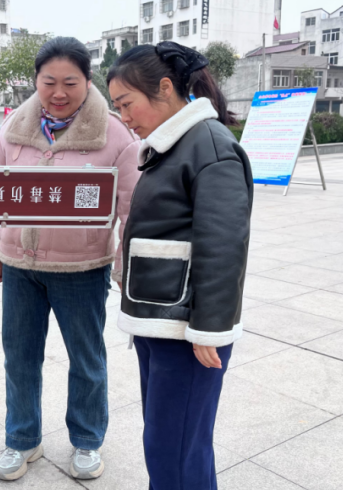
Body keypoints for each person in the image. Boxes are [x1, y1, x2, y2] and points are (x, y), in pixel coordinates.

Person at [0, 36, 141, 482]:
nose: (58, 93)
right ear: (35, 81)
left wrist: (125, 268)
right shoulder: (13, 127)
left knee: (86, 359)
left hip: (81, 269)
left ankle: (87, 440)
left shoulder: (115, 135)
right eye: (48, 82)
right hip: (19, 266)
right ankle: (22, 439)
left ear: (87, 81)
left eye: (70, 83)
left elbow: (131, 209)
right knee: (19, 358)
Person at [106, 42, 252, 490]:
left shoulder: (209, 146)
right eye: (117, 108)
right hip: (159, 319)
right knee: (175, 443)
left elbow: (223, 244)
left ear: (165, 88)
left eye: (126, 104)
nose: (124, 117)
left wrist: (210, 327)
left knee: (174, 447)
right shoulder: (173, 145)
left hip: (186, 330)